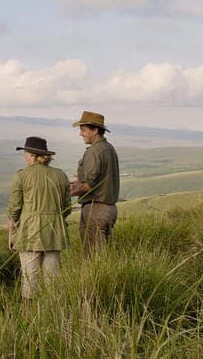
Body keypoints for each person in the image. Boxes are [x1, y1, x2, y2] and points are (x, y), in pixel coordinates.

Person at [7, 137, 71, 300]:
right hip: (54, 232)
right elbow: (67, 208)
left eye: (26, 153)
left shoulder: (21, 176)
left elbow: (14, 209)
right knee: (53, 280)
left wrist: (11, 234)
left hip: (30, 232)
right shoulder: (61, 175)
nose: (25, 156)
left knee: (30, 279)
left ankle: (29, 318)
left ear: (32, 155)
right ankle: (54, 316)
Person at [68, 111, 120, 258]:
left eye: (83, 129)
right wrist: (80, 182)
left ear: (95, 130)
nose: (80, 134)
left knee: (93, 257)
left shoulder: (94, 151)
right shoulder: (109, 148)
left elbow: (89, 185)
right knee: (104, 254)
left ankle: (98, 282)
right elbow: (100, 179)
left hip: (96, 210)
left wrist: (68, 192)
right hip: (109, 209)